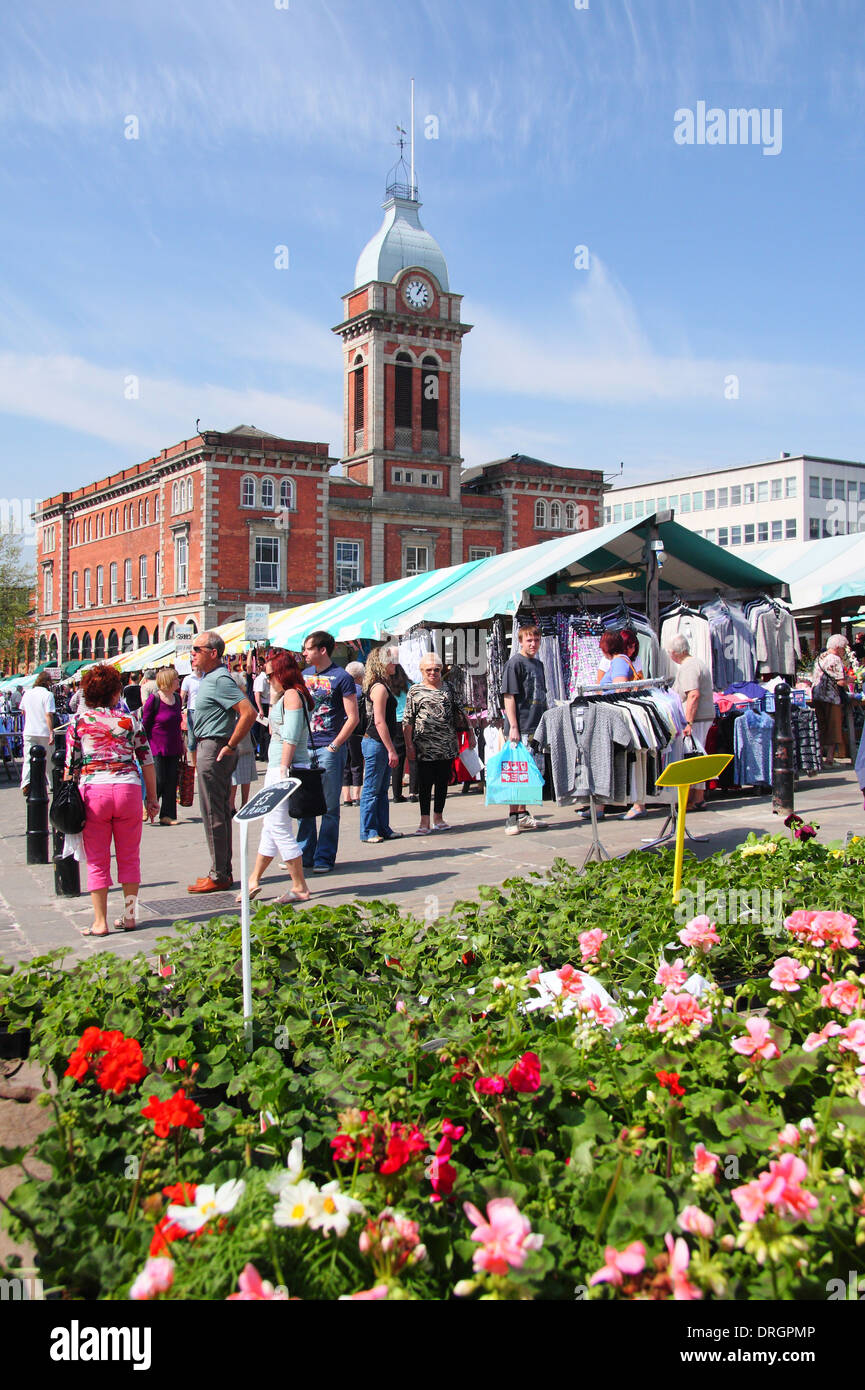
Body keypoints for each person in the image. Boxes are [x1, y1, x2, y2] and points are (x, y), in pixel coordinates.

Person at [64, 663, 158, 937]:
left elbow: (71, 765)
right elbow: (147, 760)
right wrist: (151, 798)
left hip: (94, 792)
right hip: (128, 789)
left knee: (97, 858)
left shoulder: (79, 723)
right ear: (116, 693)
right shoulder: (129, 721)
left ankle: (100, 921)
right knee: (130, 857)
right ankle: (130, 917)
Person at [185, 631, 257, 893]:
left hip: (214, 746)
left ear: (212, 653)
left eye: (197, 649)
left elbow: (248, 712)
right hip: (210, 745)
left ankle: (219, 874)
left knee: (214, 811)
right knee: (215, 810)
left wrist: (230, 745)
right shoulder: (210, 679)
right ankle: (221, 869)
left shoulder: (219, 679)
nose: (191, 653)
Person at [240, 649, 312, 906]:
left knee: (278, 827)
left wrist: (282, 767)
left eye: (270, 674)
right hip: (281, 765)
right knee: (270, 826)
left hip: (286, 767)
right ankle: (253, 879)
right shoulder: (287, 695)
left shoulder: (292, 695)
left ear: (283, 672)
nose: (267, 678)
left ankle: (299, 885)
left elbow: (291, 735)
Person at [296, 631, 359, 874]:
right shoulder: (304, 676)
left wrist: (335, 745)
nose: (304, 653)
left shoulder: (341, 677)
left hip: (327, 748)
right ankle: (304, 854)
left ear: (322, 650)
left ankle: (324, 856)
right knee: (304, 805)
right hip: (304, 748)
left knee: (330, 806)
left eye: (308, 648)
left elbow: (352, 717)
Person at [404, 652, 474, 834]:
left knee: (443, 782)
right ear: (422, 671)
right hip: (423, 746)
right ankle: (424, 820)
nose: (433, 673)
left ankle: (439, 817)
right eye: (429, 670)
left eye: (436, 669)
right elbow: (408, 720)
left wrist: (471, 733)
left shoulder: (448, 687)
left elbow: (461, 712)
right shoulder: (415, 690)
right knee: (425, 783)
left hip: (447, 744)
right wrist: (409, 745)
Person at [501, 623, 547, 835]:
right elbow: (509, 696)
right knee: (516, 773)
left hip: (536, 725)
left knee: (530, 774)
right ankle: (512, 818)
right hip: (520, 726)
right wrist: (513, 727)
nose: (533, 644)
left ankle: (523, 814)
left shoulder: (538, 664)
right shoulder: (514, 664)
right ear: (520, 641)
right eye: (529, 640)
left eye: (536, 640)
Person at [359, 646, 402, 844]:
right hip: (376, 742)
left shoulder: (382, 685)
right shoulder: (379, 688)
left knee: (382, 788)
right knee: (372, 789)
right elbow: (379, 721)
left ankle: (383, 827)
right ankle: (368, 830)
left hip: (379, 743)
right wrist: (391, 749)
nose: (395, 664)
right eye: (392, 660)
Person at [668, 634, 715, 809]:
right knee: (696, 755)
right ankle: (696, 798)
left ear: (675, 652)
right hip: (700, 717)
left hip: (696, 718)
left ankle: (697, 798)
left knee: (693, 757)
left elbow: (693, 695)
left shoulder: (689, 667)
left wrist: (688, 722)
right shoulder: (696, 663)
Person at [141, 666, 184, 825]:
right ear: (167, 681)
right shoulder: (155, 699)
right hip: (156, 745)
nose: (178, 681)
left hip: (173, 745)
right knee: (159, 779)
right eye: (175, 678)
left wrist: (182, 742)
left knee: (172, 780)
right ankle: (148, 804)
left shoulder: (177, 699)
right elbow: (145, 723)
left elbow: (178, 723)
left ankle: (168, 815)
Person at [812, 633, 850, 767]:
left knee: (821, 727)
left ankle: (818, 757)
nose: (844, 651)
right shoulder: (835, 659)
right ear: (838, 647)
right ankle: (829, 758)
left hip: (817, 696)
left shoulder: (820, 657)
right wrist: (850, 680)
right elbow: (840, 682)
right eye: (843, 648)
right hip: (831, 697)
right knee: (834, 727)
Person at [228, 666, 259, 812]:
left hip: (239, 742)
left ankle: (236, 804)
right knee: (238, 777)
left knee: (239, 777)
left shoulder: (238, 698)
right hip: (239, 742)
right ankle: (235, 804)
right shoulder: (240, 698)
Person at [20, 672, 55, 794]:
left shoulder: (27, 693)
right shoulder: (48, 695)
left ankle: (26, 783)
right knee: (49, 759)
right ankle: (52, 783)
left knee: (28, 758)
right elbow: (48, 714)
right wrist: (51, 732)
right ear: (47, 682)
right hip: (43, 730)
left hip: (29, 730)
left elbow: (23, 712)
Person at [389, 662, 417, 803]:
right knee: (413, 756)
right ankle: (413, 792)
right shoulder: (410, 686)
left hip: (395, 723)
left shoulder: (388, 688)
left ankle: (396, 794)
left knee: (397, 760)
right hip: (410, 722)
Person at [341, 660, 365, 807]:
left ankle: (346, 797)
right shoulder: (361, 691)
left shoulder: (341, 689)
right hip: (357, 731)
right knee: (357, 762)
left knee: (345, 763)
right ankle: (357, 796)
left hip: (342, 730)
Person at [253, 658, 272, 762]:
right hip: (263, 706)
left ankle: (265, 754)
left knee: (267, 732)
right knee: (264, 732)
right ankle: (264, 755)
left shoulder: (266, 678)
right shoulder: (261, 679)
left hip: (268, 705)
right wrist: (260, 709)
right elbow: (257, 694)